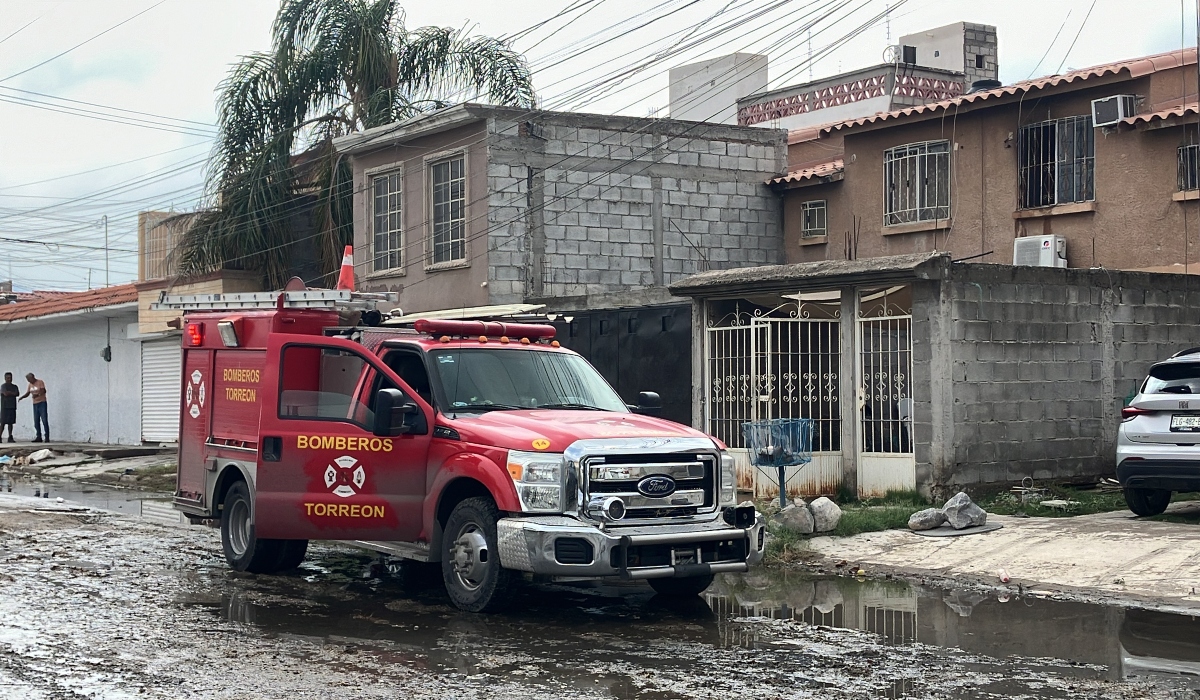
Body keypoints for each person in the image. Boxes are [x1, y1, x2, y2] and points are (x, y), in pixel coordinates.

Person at [19, 373, 47, 443]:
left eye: (29, 379)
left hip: (42, 403)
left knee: (44, 420)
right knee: (36, 421)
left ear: (33, 377)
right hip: (35, 404)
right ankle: (38, 436)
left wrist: (37, 395)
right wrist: (22, 397)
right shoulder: (30, 385)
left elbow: (44, 391)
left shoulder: (40, 382)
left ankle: (47, 437)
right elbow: (28, 393)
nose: (29, 381)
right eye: (27, 380)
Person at [0, 373, 17, 443]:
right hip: (4, 407)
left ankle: (10, 436)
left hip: (12, 406)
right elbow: (5, 393)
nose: (9, 379)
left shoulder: (14, 386)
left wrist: (9, 393)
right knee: (2, 422)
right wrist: (11, 393)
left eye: (10, 378)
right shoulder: (3, 386)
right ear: (5, 378)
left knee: (11, 423)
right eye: (7, 378)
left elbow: (17, 393)